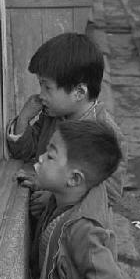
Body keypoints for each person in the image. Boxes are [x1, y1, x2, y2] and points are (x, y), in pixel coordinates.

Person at [7, 32, 127, 222]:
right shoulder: (52, 116)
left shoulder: (104, 133)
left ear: (79, 92)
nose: (41, 95)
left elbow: (110, 192)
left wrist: (56, 198)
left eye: (47, 87)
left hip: (76, 231)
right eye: (41, 86)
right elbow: (25, 152)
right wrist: (23, 119)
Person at [30, 120, 127, 279]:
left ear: (74, 179)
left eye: (50, 156)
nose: (40, 158)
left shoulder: (82, 229)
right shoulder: (68, 197)